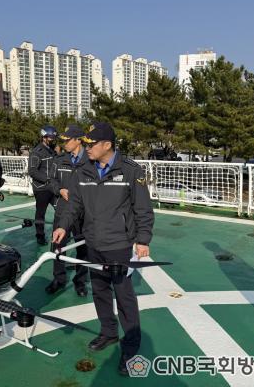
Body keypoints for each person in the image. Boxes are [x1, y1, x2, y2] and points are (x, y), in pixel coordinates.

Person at [53, 122, 154, 376]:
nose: (86, 148)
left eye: (91, 144)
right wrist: (63, 225)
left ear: (107, 145)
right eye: (85, 143)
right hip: (93, 242)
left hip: (119, 244)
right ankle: (108, 332)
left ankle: (130, 349)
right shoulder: (83, 171)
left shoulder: (130, 171)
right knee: (99, 291)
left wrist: (143, 239)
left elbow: (143, 208)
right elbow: (74, 205)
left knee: (124, 296)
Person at [45, 124, 89, 297]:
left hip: (84, 213)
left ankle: (80, 281)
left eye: (67, 140)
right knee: (58, 246)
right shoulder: (59, 159)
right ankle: (59, 279)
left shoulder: (90, 161)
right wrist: (60, 190)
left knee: (83, 248)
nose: (64, 143)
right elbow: (51, 180)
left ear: (78, 140)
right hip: (63, 210)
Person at [28, 125, 58, 245]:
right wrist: (47, 179)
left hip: (53, 187)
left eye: (54, 138)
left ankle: (58, 233)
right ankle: (40, 235)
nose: (52, 140)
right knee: (41, 213)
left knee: (60, 209)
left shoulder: (53, 151)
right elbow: (32, 171)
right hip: (41, 188)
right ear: (44, 137)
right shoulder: (37, 152)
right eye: (50, 138)